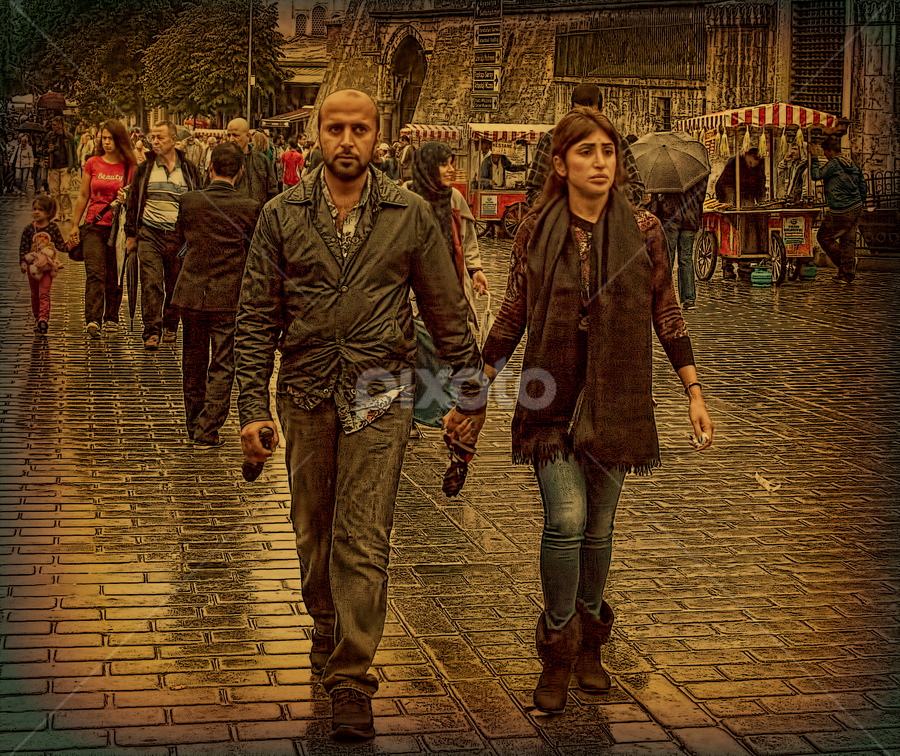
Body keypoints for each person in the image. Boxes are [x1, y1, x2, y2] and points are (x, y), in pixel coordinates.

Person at [234, 88, 486, 742]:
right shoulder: (281, 215)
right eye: (336, 128)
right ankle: (325, 621)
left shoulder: (409, 215)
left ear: (379, 137)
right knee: (313, 529)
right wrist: (252, 408)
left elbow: (446, 310)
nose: (347, 140)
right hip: (305, 389)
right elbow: (255, 318)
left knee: (363, 533)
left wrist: (471, 395)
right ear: (317, 136)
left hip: (381, 391)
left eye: (360, 129)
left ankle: (351, 676)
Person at [477, 107, 713, 714]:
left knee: (599, 527)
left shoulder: (645, 230)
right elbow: (514, 310)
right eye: (586, 152)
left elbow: (666, 310)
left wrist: (692, 390)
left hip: (618, 396)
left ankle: (589, 644)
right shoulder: (535, 229)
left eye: (607, 151)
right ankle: (556, 649)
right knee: (567, 518)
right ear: (561, 163)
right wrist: (479, 384)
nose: (599, 162)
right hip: (551, 395)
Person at [171, 142, 260, 448]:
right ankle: (208, 428)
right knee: (223, 363)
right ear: (241, 171)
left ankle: (194, 422)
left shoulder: (189, 201)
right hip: (228, 295)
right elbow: (253, 253)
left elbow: (179, 240)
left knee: (193, 360)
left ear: (210, 167)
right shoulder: (249, 207)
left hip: (192, 291)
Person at [124, 120, 201, 350]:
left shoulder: (189, 169)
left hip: (178, 237)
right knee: (151, 283)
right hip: (149, 234)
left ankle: (170, 324)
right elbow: (133, 201)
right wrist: (131, 234)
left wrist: (195, 236)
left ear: (173, 140)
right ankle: (152, 331)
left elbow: (199, 202)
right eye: (153, 137)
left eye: (160, 137)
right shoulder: (145, 169)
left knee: (175, 285)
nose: (155, 141)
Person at [406, 142, 489, 334]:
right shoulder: (406, 197)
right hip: (413, 292)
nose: (451, 170)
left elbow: (468, 239)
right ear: (428, 167)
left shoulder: (455, 197)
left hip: (451, 289)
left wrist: (475, 270)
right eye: (445, 165)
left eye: (452, 164)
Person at [69, 120, 137, 339]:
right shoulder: (93, 163)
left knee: (115, 274)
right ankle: (93, 319)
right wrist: (74, 224)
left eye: (110, 138)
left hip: (118, 228)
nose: (106, 142)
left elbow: (137, 197)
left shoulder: (130, 166)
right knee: (95, 272)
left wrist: (127, 198)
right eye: (103, 138)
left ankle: (111, 318)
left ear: (120, 140)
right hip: (94, 225)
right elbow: (83, 194)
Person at [526, 83, 645, 207]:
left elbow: (636, 189)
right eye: (578, 114)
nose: (585, 120)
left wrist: (604, 201)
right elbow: (533, 192)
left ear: (601, 111)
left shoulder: (616, 140)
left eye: (607, 152)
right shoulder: (551, 140)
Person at [811, 135, 867, 284]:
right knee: (847, 240)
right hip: (856, 207)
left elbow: (816, 175)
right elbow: (862, 183)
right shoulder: (850, 163)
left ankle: (846, 264)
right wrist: (860, 201)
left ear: (830, 151)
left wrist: (814, 158)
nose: (824, 154)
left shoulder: (834, 163)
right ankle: (846, 274)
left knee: (823, 237)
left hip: (840, 210)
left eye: (825, 151)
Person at [649, 177, 707, 309]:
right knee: (686, 259)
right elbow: (701, 197)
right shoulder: (699, 174)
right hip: (691, 219)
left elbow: (658, 194)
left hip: (671, 217)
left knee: (668, 258)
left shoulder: (668, 172)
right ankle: (688, 298)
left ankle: (664, 297)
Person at [715, 145, 766, 278]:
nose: (755, 162)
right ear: (746, 155)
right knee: (735, 230)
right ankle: (728, 265)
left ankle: (746, 263)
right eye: (753, 158)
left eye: (757, 159)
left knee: (754, 227)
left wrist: (762, 202)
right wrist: (731, 204)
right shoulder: (734, 163)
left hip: (747, 200)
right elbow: (724, 186)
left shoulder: (760, 166)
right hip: (730, 197)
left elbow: (760, 187)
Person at [20, 195, 66, 334]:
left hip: (47, 267)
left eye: (40, 209)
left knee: (44, 293)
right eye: (34, 209)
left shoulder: (53, 228)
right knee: (35, 294)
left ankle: (43, 318)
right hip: (33, 268)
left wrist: (71, 246)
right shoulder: (29, 229)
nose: (36, 212)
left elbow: (60, 245)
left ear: (49, 212)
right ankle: (37, 318)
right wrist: (23, 262)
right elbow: (23, 248)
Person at [225, 118, 277, 207]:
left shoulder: (262, 159)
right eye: (228, 135)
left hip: (258, 212)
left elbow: (272, 190)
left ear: (248, 136)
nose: (231, 139)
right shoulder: (223, 160)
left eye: (235, 135)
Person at [46, 118, 78, 223]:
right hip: (53, 167)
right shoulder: (49, 136)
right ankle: (57, 213)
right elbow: (40, 150)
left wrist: (75, 167)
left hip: (65, 167)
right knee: (54, 192)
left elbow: (73, 152)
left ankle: (67, 212)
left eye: (54, 125)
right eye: (52, 124)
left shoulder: (69, 136)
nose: (52, 126)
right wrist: (48, 150)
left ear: (60, 125)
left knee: (65, 191)